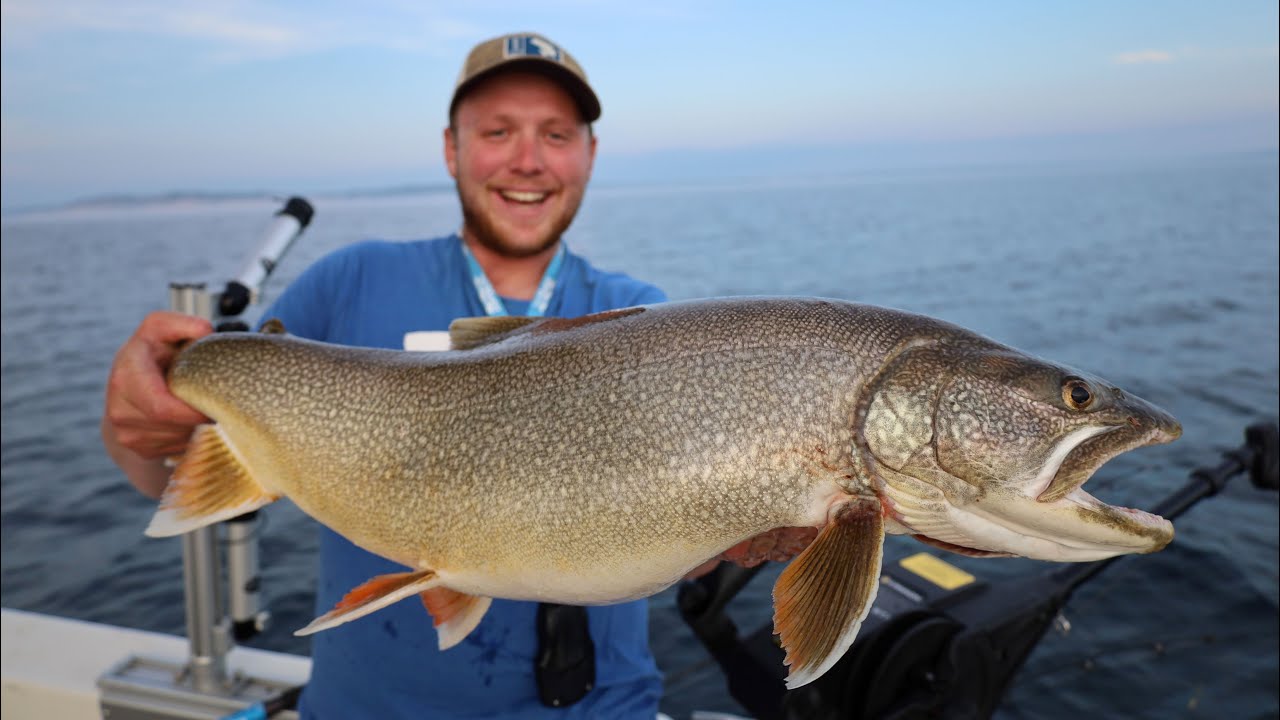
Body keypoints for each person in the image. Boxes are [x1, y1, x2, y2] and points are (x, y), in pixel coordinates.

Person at [102, 31, 814, 719]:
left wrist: (743, 522)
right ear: (452, 149)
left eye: (556, 135)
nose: (528, 160)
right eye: (498, 132)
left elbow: (672, 546)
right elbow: (183, 469)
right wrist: (134, 427)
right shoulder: (345, 285)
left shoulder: (642, 320)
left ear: (590, 155)